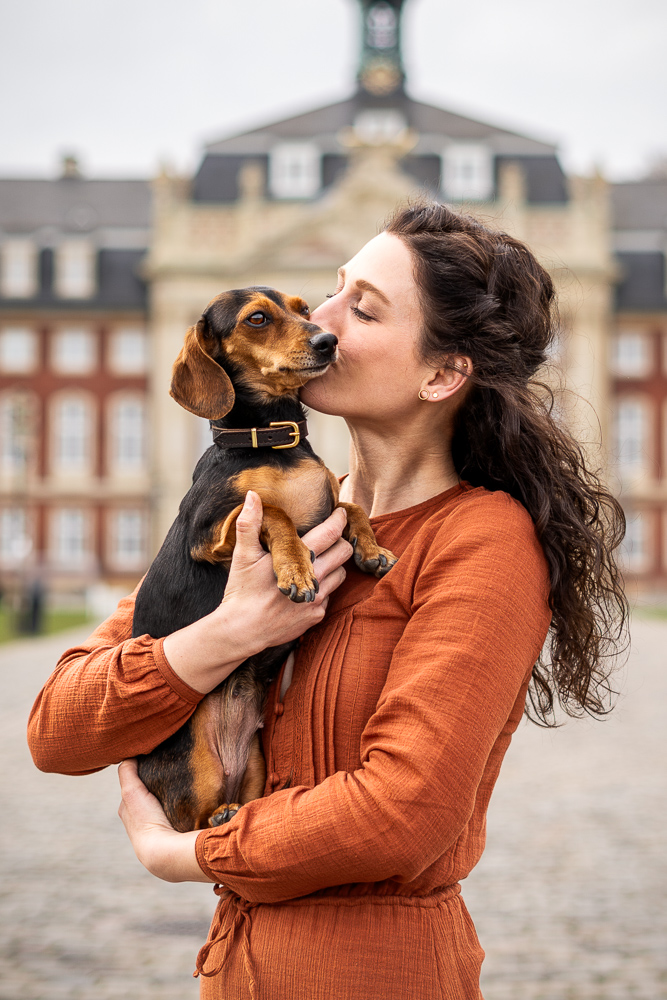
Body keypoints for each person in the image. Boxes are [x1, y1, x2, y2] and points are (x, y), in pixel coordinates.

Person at [28, 202, 628, 1000]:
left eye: (364, 309)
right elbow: (57, 733)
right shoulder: (255, 518)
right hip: (234, 974)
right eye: (332, 291)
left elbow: (402, 812)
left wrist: (190, 854)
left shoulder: (479, 541)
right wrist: (228, 631)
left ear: (440, 375)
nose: (322, 321)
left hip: (373, 975)